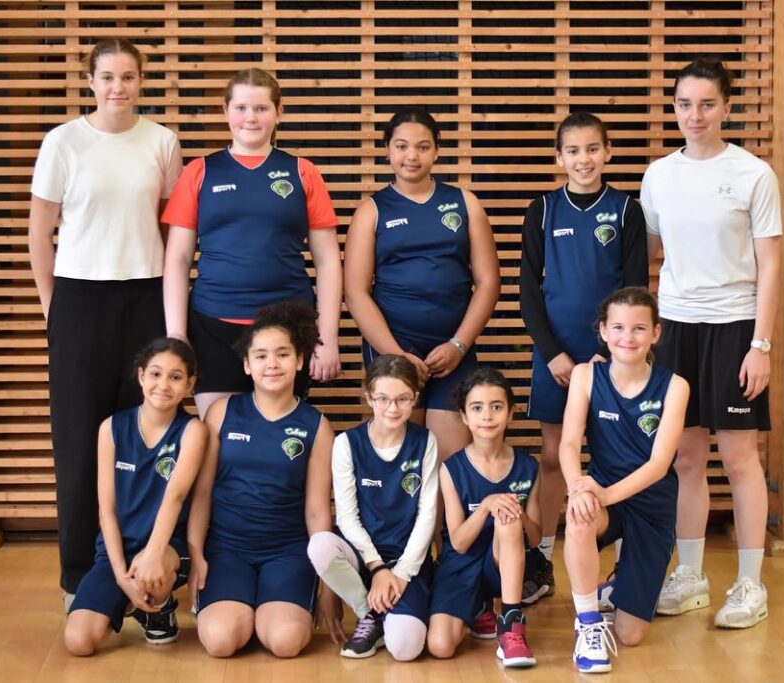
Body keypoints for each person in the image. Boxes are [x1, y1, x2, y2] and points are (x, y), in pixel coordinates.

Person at [29, 38, 184, 607]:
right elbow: (39, 232)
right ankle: (79, 576)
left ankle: (148, 570)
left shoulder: (162, 141)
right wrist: (53, 307)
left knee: (145, 433)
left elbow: (170, 231)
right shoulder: (63, 142)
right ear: (90, 81)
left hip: (145, 295)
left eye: (128, 77)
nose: (118, 87)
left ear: (141, 81)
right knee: (78, 440)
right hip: (79, 298)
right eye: (108, 77)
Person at [640, 57, 782, 629]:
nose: (694, 115)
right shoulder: (658, 175)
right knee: (685, 457)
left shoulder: (753, 174)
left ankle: (750, 584)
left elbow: (771, 266)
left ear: (726, 107)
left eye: (706, 104)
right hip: (676, 327)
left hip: (734, 327)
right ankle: (691, 575)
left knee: (740, 458)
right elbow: (647, 251)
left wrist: (760, 345)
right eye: (684, 104)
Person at [162, 68, 342, 417]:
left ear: (279, 112)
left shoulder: (303, 172)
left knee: (277, 434)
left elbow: (328, 261)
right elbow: (177, 260)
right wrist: (176, 335)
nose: (251, 118)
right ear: (225, 111)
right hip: (213, 325)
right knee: (219, 434)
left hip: (289, 326)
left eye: (261, 108)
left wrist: (327, 337)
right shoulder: (199, 171)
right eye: (241, 108)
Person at [520, 112, 649, 599]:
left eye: (593, 149)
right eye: (573, 151)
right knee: (555, 456)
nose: (583, 159)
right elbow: (528, 292)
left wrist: (610, 355)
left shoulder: (626, 210)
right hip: (556, 359)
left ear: (608, 152)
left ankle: (624, 568)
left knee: (620, 459)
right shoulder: (543, 210)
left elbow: (635, 291)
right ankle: (542, 559)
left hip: (614, 358)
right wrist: (553, 353)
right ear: (559, 157)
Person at [186, 300, 344, 658]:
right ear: (246, 365)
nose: (272, 363)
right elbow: (202, 493)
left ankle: (268, 609)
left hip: (287, 551)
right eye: (260, 356)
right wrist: (196, 556)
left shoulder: (317, 426)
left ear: (299, 360)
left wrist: (329, 584)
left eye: (282, 354)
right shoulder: (221, 412)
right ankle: (241, 608)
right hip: (227, 549)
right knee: (220, 641)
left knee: (286, 642)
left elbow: (317, 512)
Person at [344, 107, 501, 459]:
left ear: (437, 151)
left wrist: (459, 344)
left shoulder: (465, 203)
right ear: (388, 150)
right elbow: (355, 292)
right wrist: (395, 354)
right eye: (401, 146)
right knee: (402, 456)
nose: (411, 156)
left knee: (449, 458)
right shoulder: (371, 210)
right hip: (394, 347)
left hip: (453, 350)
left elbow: (489, 282)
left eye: (422, 146)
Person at [559, 288, 689, 673]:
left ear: (656, 333)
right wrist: (578, 487)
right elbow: (568, 443)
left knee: (631, 634)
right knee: (579, 516)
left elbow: (659, 464)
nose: (627, 337)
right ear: (602, 331)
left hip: (651, 505)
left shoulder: (675, 386)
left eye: (638, 328)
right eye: (617, 327)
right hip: (603, 497)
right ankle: (588, 624)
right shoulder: (585, 375)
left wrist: (603, 493)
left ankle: (620, 585)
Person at [63, 338, 208, 655]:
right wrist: (120, 576)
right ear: (141, 376)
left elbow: (175, 497)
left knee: (152, 568)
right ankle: (131, 599)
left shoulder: (193, 430)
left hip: (167, 547)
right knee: (78, 641)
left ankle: (159, 607)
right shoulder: (111, 428)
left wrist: (153, 554)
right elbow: (107, 510)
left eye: (175, 377)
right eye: (155, 374)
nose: (163, 385)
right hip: (117, 549)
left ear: (189, 384)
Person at [308, 354, 438, 661]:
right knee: (320, 545)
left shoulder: (425, 441)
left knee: (405, 649)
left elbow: (428, 514)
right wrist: (377, 568)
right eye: (383, 399)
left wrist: (401, 573)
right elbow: (347, 518)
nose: (392, 408)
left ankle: (390, 612)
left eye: (403, 399)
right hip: (364, 558)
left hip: (407, 561)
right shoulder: (347, 443)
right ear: (369, 397)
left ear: (414, 398)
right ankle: (368, 612)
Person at [427, 368, 541, 669]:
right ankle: (478, 607)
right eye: (477, 408)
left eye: (496, 407)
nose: (487, 416)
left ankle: (511, 625)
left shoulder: (528, 466)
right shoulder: (451, 469)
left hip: (503, 561)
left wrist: (516, 512)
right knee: (440, 646)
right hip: (461, 563)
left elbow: (535, 539)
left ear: (511, 413)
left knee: (508, 518)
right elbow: (459, 543)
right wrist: (486, 505)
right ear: (464, 416)